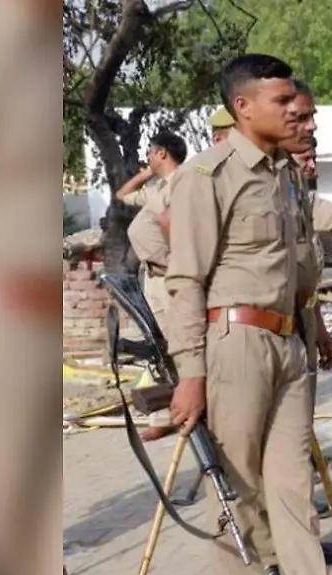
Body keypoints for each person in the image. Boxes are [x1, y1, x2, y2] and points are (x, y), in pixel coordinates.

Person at [165, 53, 332, 575]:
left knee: (293, 492)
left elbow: (297, 261)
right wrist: (190, 373)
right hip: (234, 345)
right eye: (282, 101)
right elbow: (186, 280)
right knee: (238, 487)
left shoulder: (285, 175)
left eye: (294, 101)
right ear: (243, 107)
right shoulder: (208, 175)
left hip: (287, 344)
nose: (294, 111)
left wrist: (310, 325)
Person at [123, 130, 187, 441]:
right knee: (160, 347)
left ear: (162, 153)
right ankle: (169, 413)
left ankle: (188, 409)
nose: (148, 157)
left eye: (151, 152)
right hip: (153, 277)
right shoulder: (158, 188)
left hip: (172, 277)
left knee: (181, 344)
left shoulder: (184, 184)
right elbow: (123, 195)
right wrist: (147, 174)